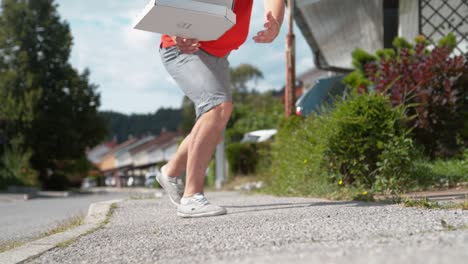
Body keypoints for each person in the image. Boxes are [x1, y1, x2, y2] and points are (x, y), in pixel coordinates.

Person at [157, 0, 285, 218]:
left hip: (218, 54)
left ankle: (171, 171)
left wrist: (275, 22)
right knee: (217, 106)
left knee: (214, 126)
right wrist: (176, 29)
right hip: (182, 47)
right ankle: (191, 198)